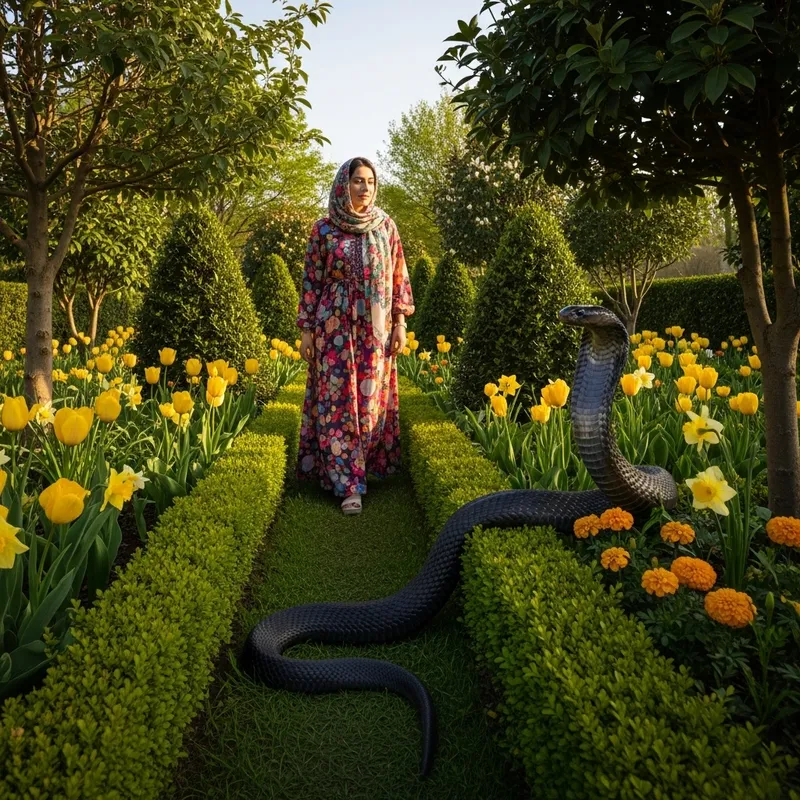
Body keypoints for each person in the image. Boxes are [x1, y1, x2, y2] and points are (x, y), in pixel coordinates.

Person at [295, 156, 415, 515]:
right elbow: (311, 282)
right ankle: (347, 483)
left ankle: (366, 467)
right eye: (358, 181)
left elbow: (398, 277)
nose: (365, 188)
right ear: (343, 185)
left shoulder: (385, 227)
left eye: (370, 182)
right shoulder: (323, 229)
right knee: (337, 403)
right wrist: (306, 331)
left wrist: (400, 323)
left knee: (370, 402)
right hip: (333, 328)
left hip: (375, 332)